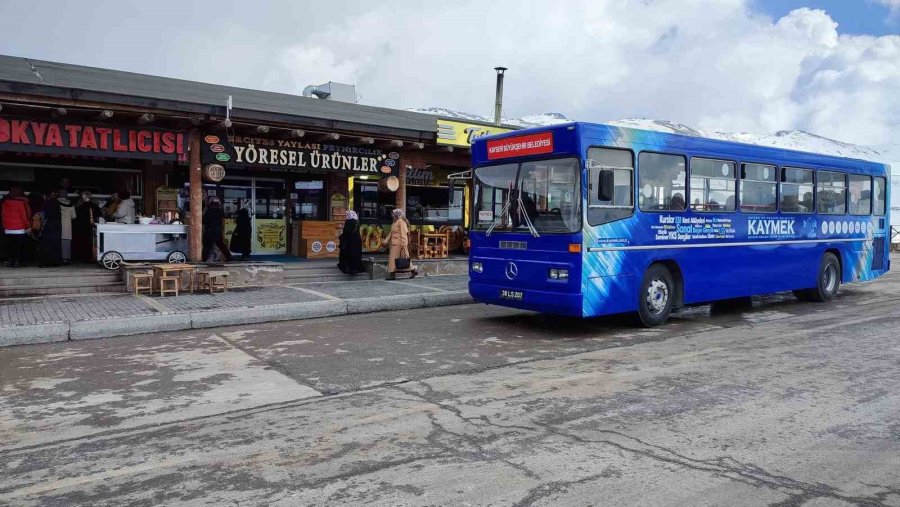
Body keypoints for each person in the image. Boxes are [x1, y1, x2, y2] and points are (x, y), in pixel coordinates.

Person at [2, 186, 32, 267]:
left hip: (8, 229)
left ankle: (11, 262)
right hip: (19, 228)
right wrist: (29, 226)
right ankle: (18, 262)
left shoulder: (5, 202)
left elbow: (3, 215)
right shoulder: (22, 203)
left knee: (11, 246)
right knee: (19, 247)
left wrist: (4, 226)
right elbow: (25, 216)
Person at [73, 190, 102, 263]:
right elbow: (99, 214)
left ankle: (85, 256)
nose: (81, 197)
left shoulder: (82, 206)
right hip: (91, 225)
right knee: (91, 241)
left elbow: (77, 216)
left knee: (84, 241)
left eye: (82, 195)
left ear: (86, 196)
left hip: (83, 226)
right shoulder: (94, 205)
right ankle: (90, 256)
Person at [387, 208, 416, 280]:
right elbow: (391, 233)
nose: (392, 215)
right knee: (394, 258)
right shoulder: (394, 222)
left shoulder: (401, 222)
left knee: (403, 258)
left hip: (400, 243)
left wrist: (404, 244)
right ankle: (413, 271)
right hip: (395, 244)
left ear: (397, 214)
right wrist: (385, 241)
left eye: (393, 214)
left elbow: (404, 233)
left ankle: (392, 275)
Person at [38, 190, 63, 267]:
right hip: (56, 225)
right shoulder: (57, 204)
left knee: (45, 244)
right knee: (55, 244)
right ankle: (55, 262)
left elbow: (42, 215)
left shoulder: (45, 203)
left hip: (47, 225)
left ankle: (45, 262)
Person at [202, 198, 232, 262]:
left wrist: (205, 209)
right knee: (221, 245)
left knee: (207, 246)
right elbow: (222, 220)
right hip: (218, 231)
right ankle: (229, 257)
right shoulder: (220, 211)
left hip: (209, 231)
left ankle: (204, 259)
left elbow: (204, 221)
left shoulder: (208, 211)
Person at [337, 210, 364, 275]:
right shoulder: (356, 222)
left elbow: (346, 232)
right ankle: (355, 268)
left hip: (349, 242)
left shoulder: (348, 222)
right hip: (356, 241)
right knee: (355, 255)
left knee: (347, 255)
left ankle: (349, 268)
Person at [58, 189, 75, 264]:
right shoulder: (71, 204)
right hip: (67, 225)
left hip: (58, 225)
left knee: (58, 241)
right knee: (66, 242)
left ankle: (58, 257)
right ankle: (66, 258)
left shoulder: (56, 202)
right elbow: (74, 216)